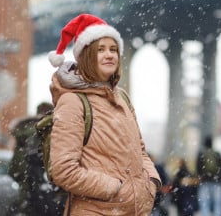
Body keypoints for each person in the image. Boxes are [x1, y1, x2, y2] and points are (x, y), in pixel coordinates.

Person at [47, 13, 161, 215]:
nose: (109, 55)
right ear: (87, 55)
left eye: (113, 49)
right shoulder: (73, 101)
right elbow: (63, 170)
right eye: (100, 50)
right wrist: (113, 188)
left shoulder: (122, 98)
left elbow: (140, 151)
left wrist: (151, 182)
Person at [7, 102, 65, 216]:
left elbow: (13, 171)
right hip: (52, 196)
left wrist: (26, 182)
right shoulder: (55, 131)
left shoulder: (22, 135)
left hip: (28, 197)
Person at [196, 135, 221, 216]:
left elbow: (198, 168)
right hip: (217, 182)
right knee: (218, 205)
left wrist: (201, 176)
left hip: (204, 181)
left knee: (205, 205)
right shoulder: (217, 153)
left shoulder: (201, 153)